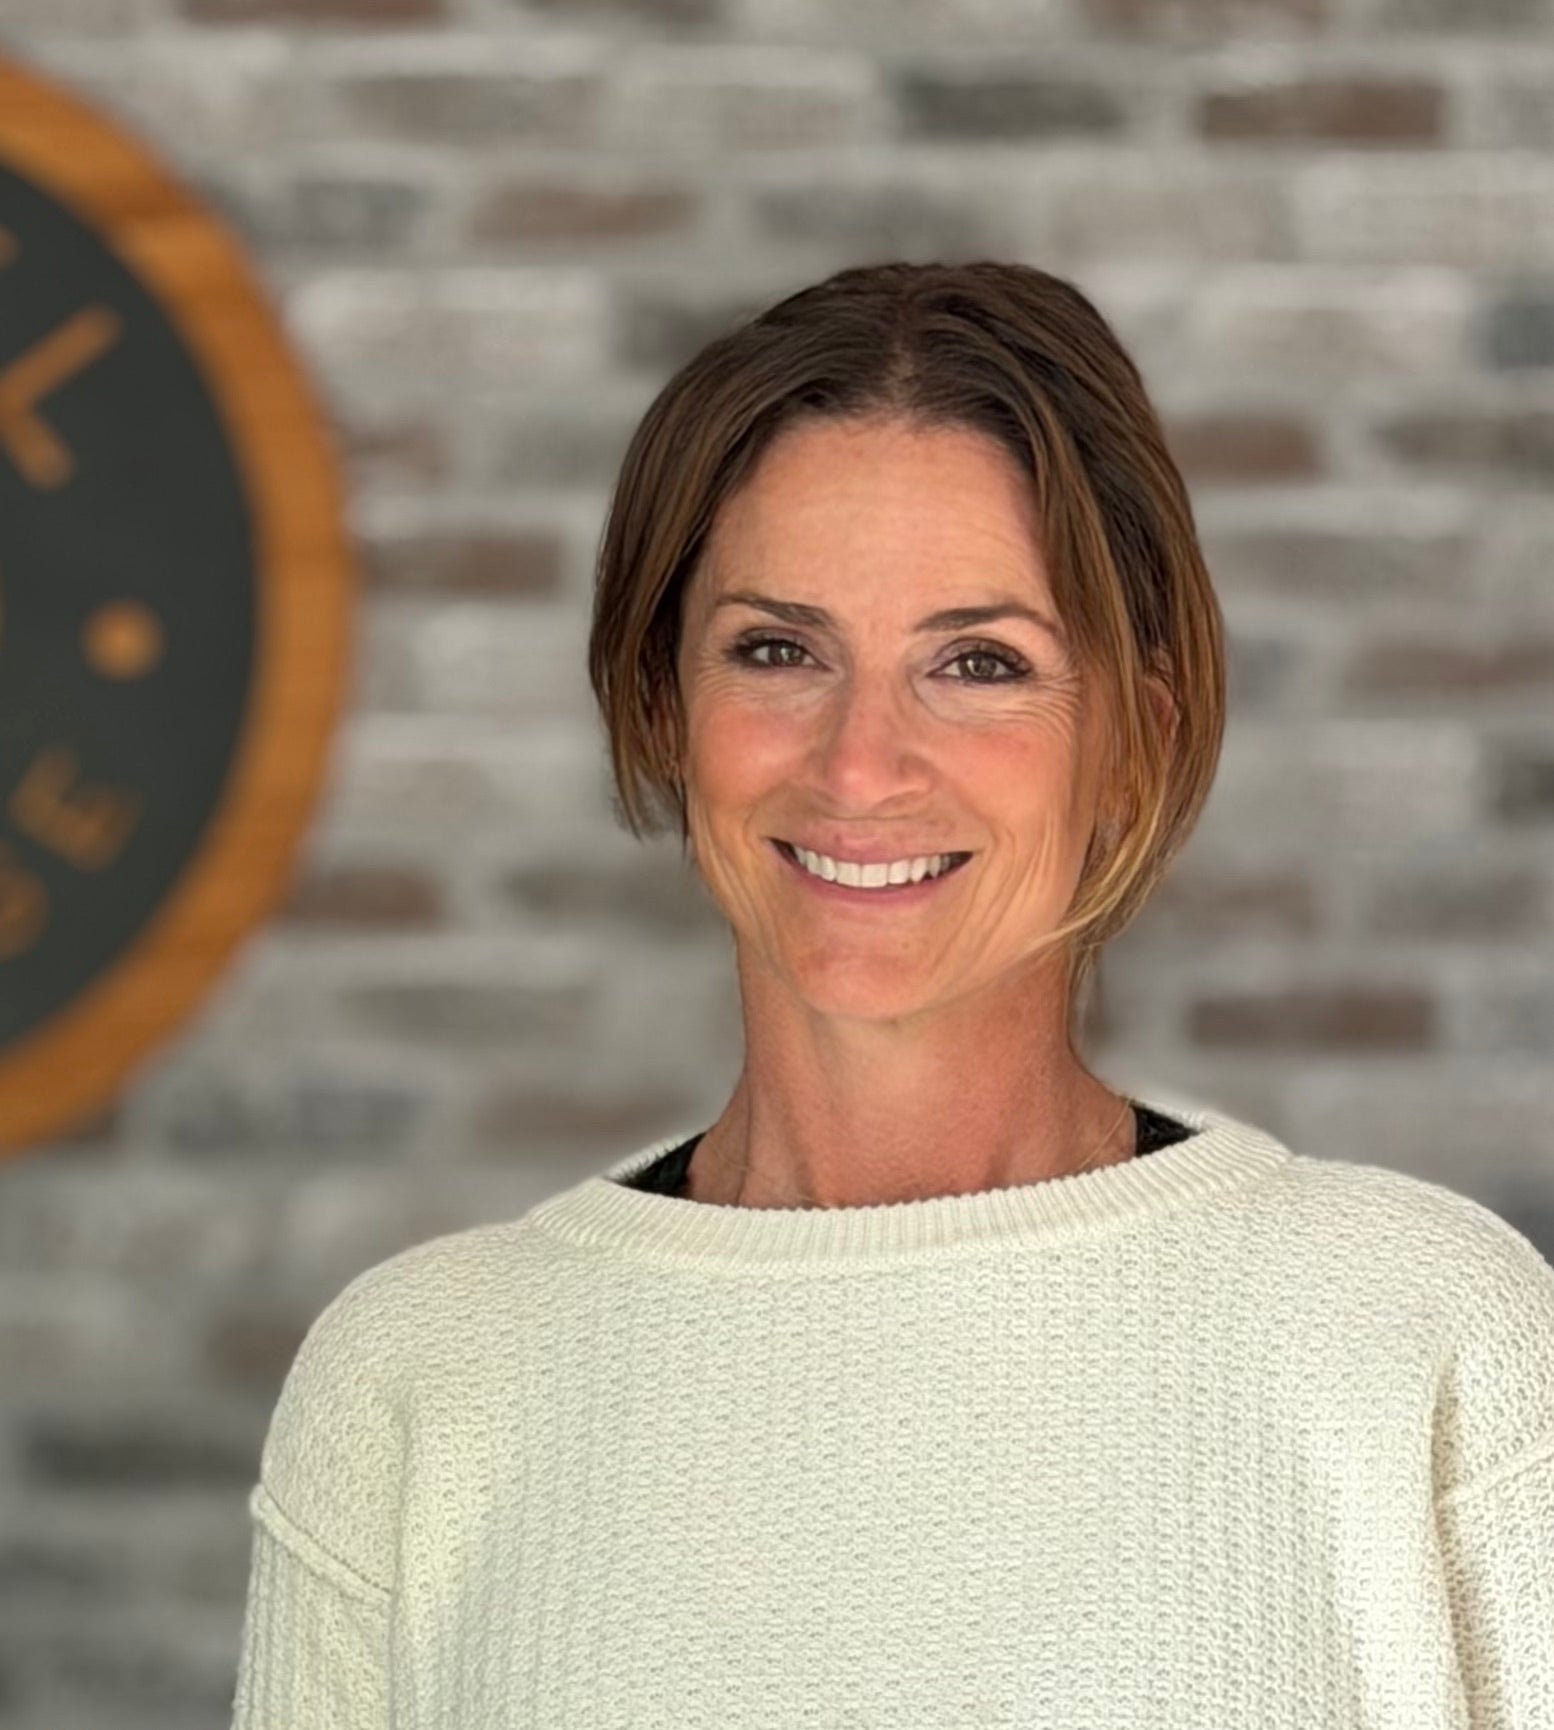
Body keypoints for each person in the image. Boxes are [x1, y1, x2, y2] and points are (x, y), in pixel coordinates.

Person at [230, 261, 1554, 1728]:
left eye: (978, 663)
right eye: (777, 651)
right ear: (664, 703)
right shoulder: (418, 1382)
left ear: (1131, 739)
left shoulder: (1426, 1343)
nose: (859, 765)